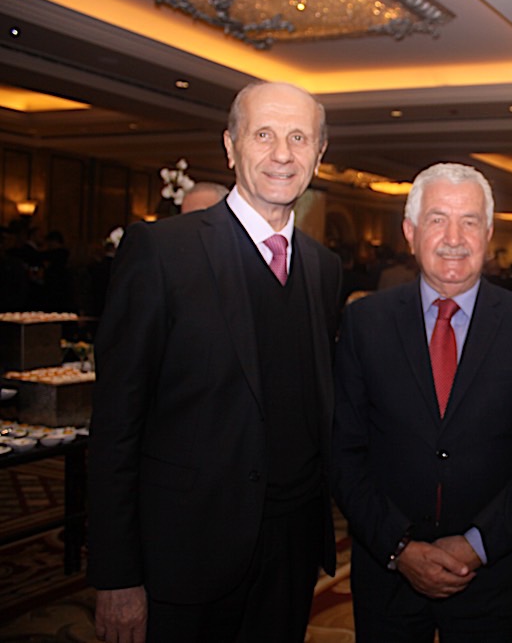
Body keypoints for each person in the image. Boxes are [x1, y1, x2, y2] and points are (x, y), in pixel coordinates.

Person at [88, 81, 343, 643]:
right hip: (186, 550)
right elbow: (116, 425)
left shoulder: (324, 267)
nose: (282, 154)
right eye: (264, 135)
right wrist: (117, 574)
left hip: (293, 545)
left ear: (320, 153)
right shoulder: (162, 252)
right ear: (231, 147)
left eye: (299, 138)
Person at [332, 162, 512, 642]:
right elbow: (343, 451)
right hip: (387, 577)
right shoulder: (364, 323)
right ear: (410, 232)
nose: (454, 238)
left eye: (470, 222)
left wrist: (476, 544)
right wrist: (400, 547)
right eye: (438, 219)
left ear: (489, 233)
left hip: (491, 579)